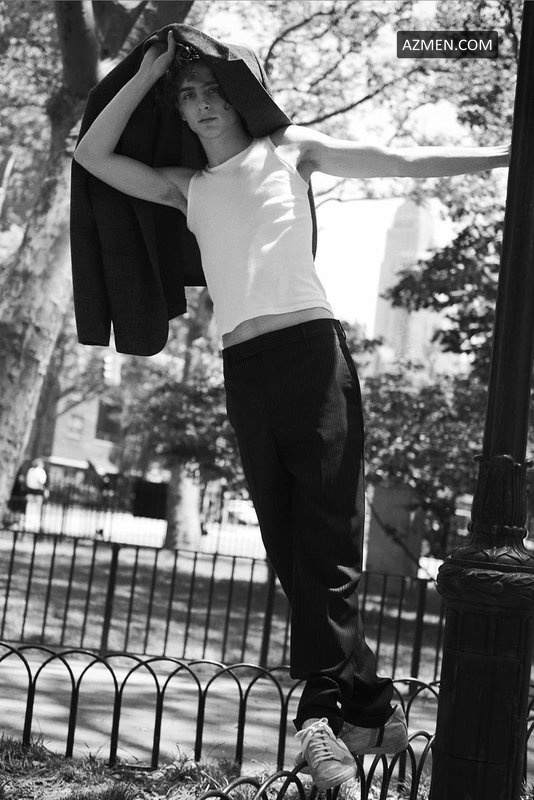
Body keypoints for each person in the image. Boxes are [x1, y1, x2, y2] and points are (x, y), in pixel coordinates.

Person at [73, 29, 509, 790]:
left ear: (239, 95)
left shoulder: (289, 152)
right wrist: (146, 73)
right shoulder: (187, 187)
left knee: (329, 542)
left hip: (313, 358)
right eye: (189, 97)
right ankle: (372, 702)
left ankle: (320, 719)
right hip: (244, 370)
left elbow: (401, 160)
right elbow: (92, 154)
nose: (202, 106)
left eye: (213, 91)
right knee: (287, 549)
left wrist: (508, 155)